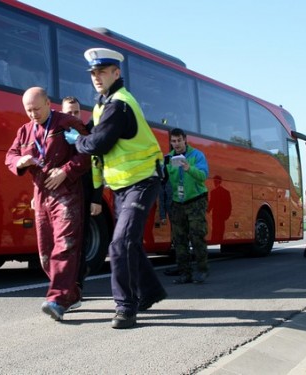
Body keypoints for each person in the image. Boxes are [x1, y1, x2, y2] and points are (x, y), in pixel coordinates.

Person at [65, 48, 167, 329]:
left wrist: (77, 141)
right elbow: (92, 133)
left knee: (120, 243)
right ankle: (150, 292)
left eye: (102, 72)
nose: (96, 77)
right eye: (93, 73)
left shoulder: (118, 104)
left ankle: (125, 307)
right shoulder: (102, 104)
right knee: (128, 243)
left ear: (116, 73)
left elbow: (97, 143)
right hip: (123, 185)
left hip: (143, 180)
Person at [5, 87, 90, 321]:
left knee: (65, 245)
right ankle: (70, 293)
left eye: (37, 109)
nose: (33, 114)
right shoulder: (24, 131)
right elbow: (9, 156)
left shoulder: (67, 123)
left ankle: (57, 299)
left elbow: (86, 153)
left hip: (67, 193)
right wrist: (19, 162)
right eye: (28, 110)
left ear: (48, 103)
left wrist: (65, 171)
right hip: (41, 194)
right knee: (46, 253)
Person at [61, 96, 103, 294]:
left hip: (84, 196)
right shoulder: (55, 135)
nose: (73, 116)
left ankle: (76, 286)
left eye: (76, 112)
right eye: (69, 112)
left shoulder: (87, 135)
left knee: (79, 242)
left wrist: (96, 198)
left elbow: (98, 167)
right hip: (62, 198)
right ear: (61, 112)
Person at [165, 128, 210, 284]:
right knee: (179, 239)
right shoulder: (168, 158)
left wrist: (188, 168)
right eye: (173, 141)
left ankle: (202, 270)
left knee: (197, 235)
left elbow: (203, 176)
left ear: (185, 140)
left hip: (196, 199)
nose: (176, 144)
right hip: (178, 201)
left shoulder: (197, 155)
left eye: (179, 141)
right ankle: (185, 273)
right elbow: (164, 179)